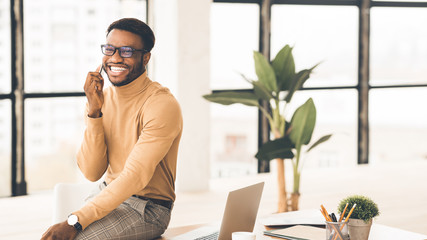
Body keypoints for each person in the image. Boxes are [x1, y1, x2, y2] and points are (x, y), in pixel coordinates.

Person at [41, 18, 183, 240]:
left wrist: (76, 220)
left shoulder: (161, 104)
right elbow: (92, 172)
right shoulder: (101, 99)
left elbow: (134, 177)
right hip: (108, 193)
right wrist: (94, 113)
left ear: (145, 57)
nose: (116, 58)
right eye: (110, 49)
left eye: (127, 51)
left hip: (148, 209)